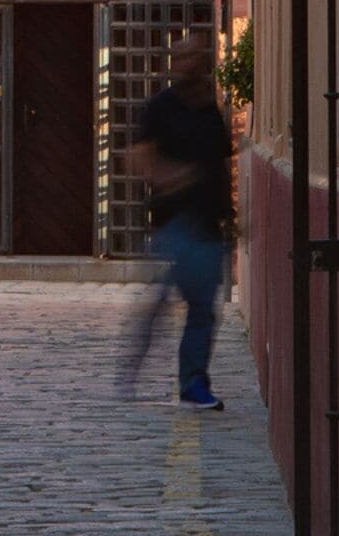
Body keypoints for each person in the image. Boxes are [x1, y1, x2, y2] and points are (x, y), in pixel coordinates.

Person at [123, 28, 237, 409]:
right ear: (176, 63)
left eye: (195, 57)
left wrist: (232, 214)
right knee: (193, 303)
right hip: (175, 223)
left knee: (196, 307)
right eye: (182, 57)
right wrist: (168, 176)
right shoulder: (161, 107)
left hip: (207, 225)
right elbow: (138, 155)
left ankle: (176, 376)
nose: (189, 64)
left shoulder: (210, 110)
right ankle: (185, 380)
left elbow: (222, 162)